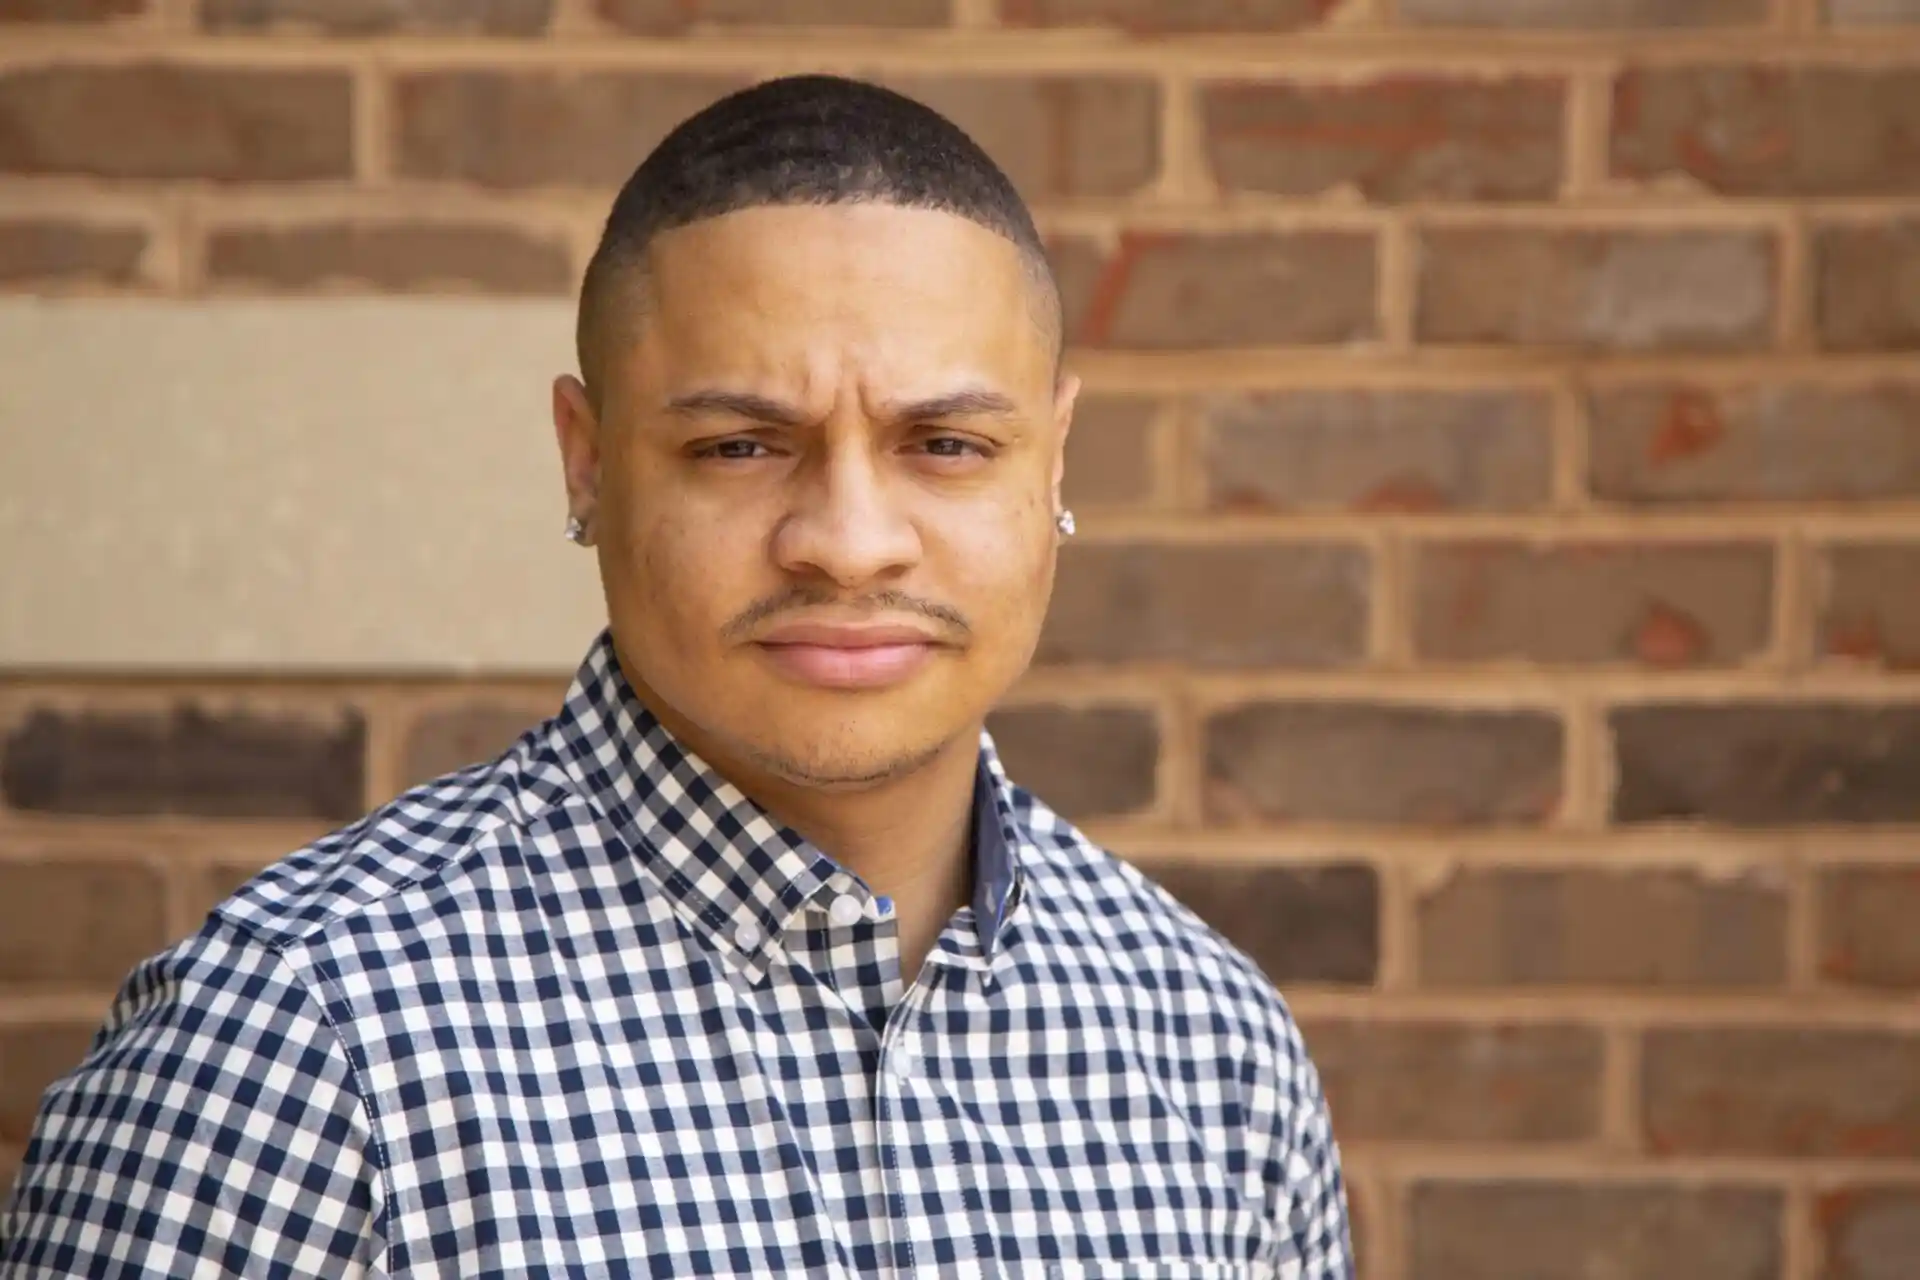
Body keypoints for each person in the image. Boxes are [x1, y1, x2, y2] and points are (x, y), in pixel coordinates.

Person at [1, 75, 1351, 1278]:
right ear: (587, 462)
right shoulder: (297, 1042)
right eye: (739, 447)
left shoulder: (1212, 1050)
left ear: (1053, 462)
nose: (848, 543)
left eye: (945, 445)